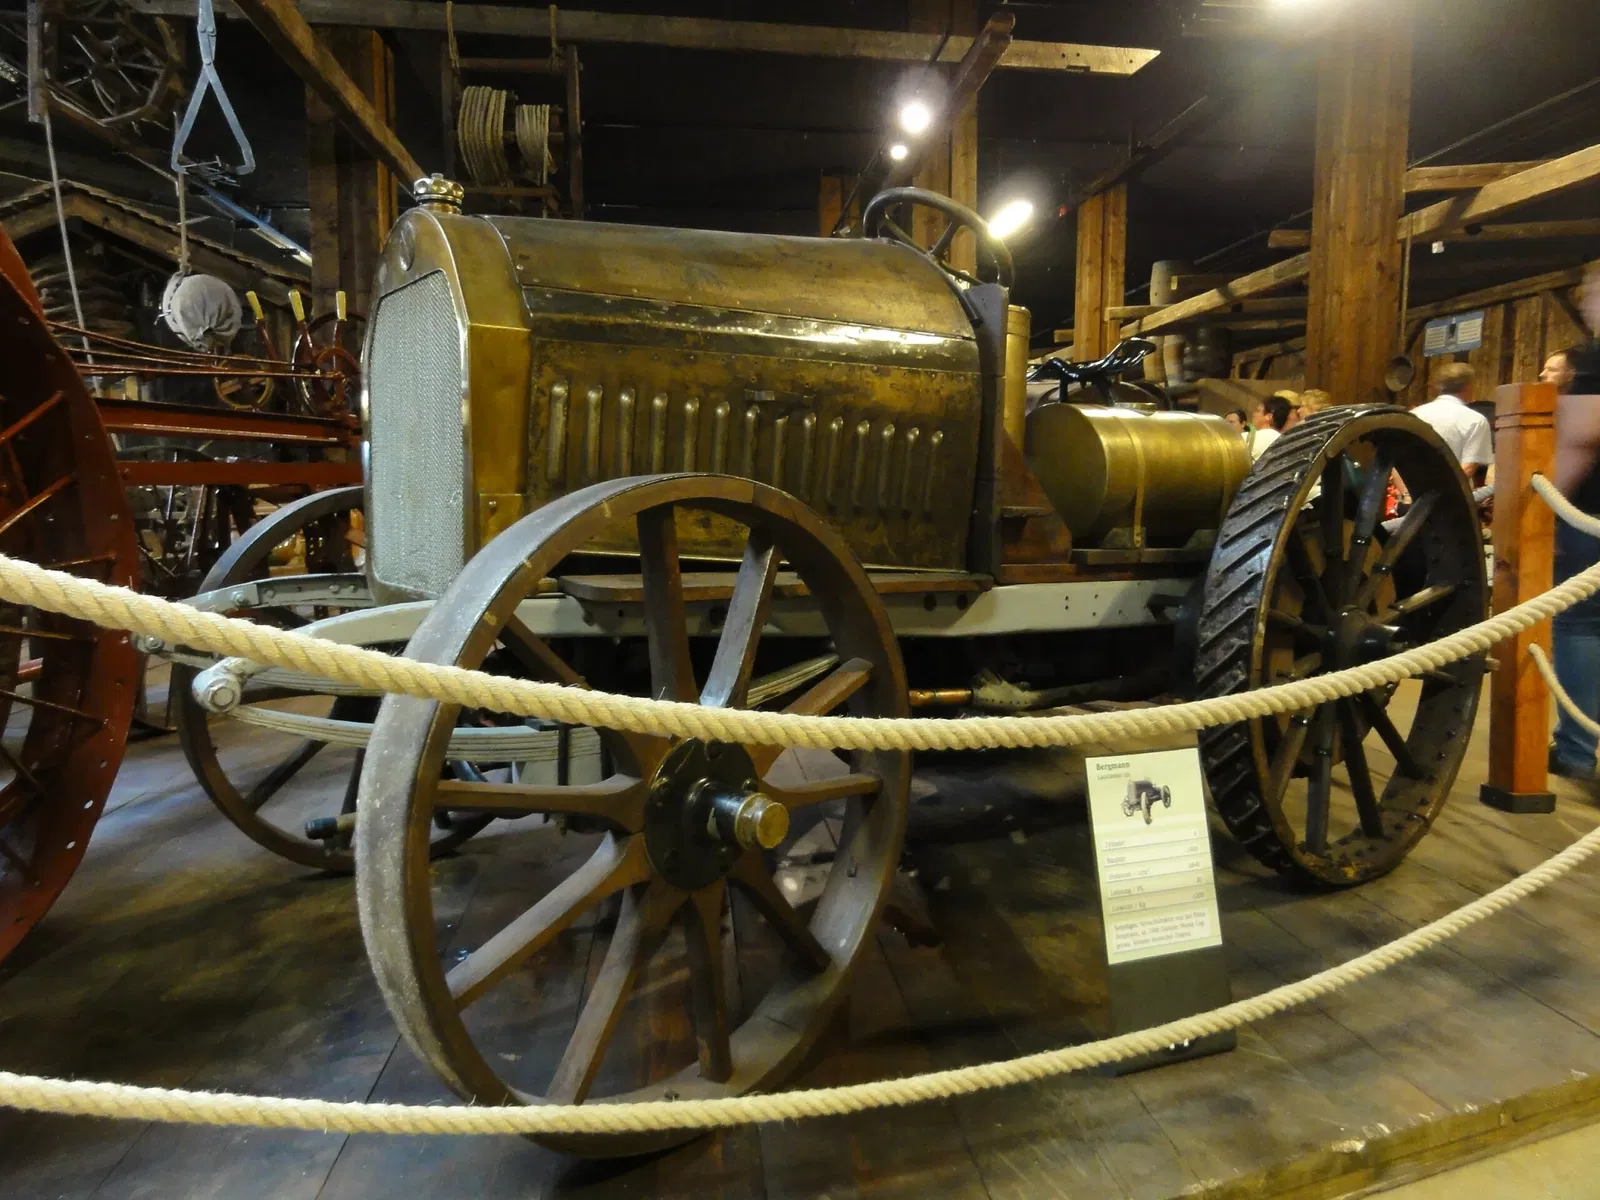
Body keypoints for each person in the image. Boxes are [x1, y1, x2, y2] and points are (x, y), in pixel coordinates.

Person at [1549, 272, 1600, 782]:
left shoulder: (1597, 360)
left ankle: (1577, 750)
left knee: (1580, 624)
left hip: (1591, 519)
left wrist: (1544, 506)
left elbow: (1584, 437)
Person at [1410, 362, 1494, 479]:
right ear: (1468, 386)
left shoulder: (1414, 415)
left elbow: (1397, 460)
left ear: (1440, 386)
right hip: (1450, 495)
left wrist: (1406, 494)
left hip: (1409, 493)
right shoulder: (1476, 420)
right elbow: (1468, 467)